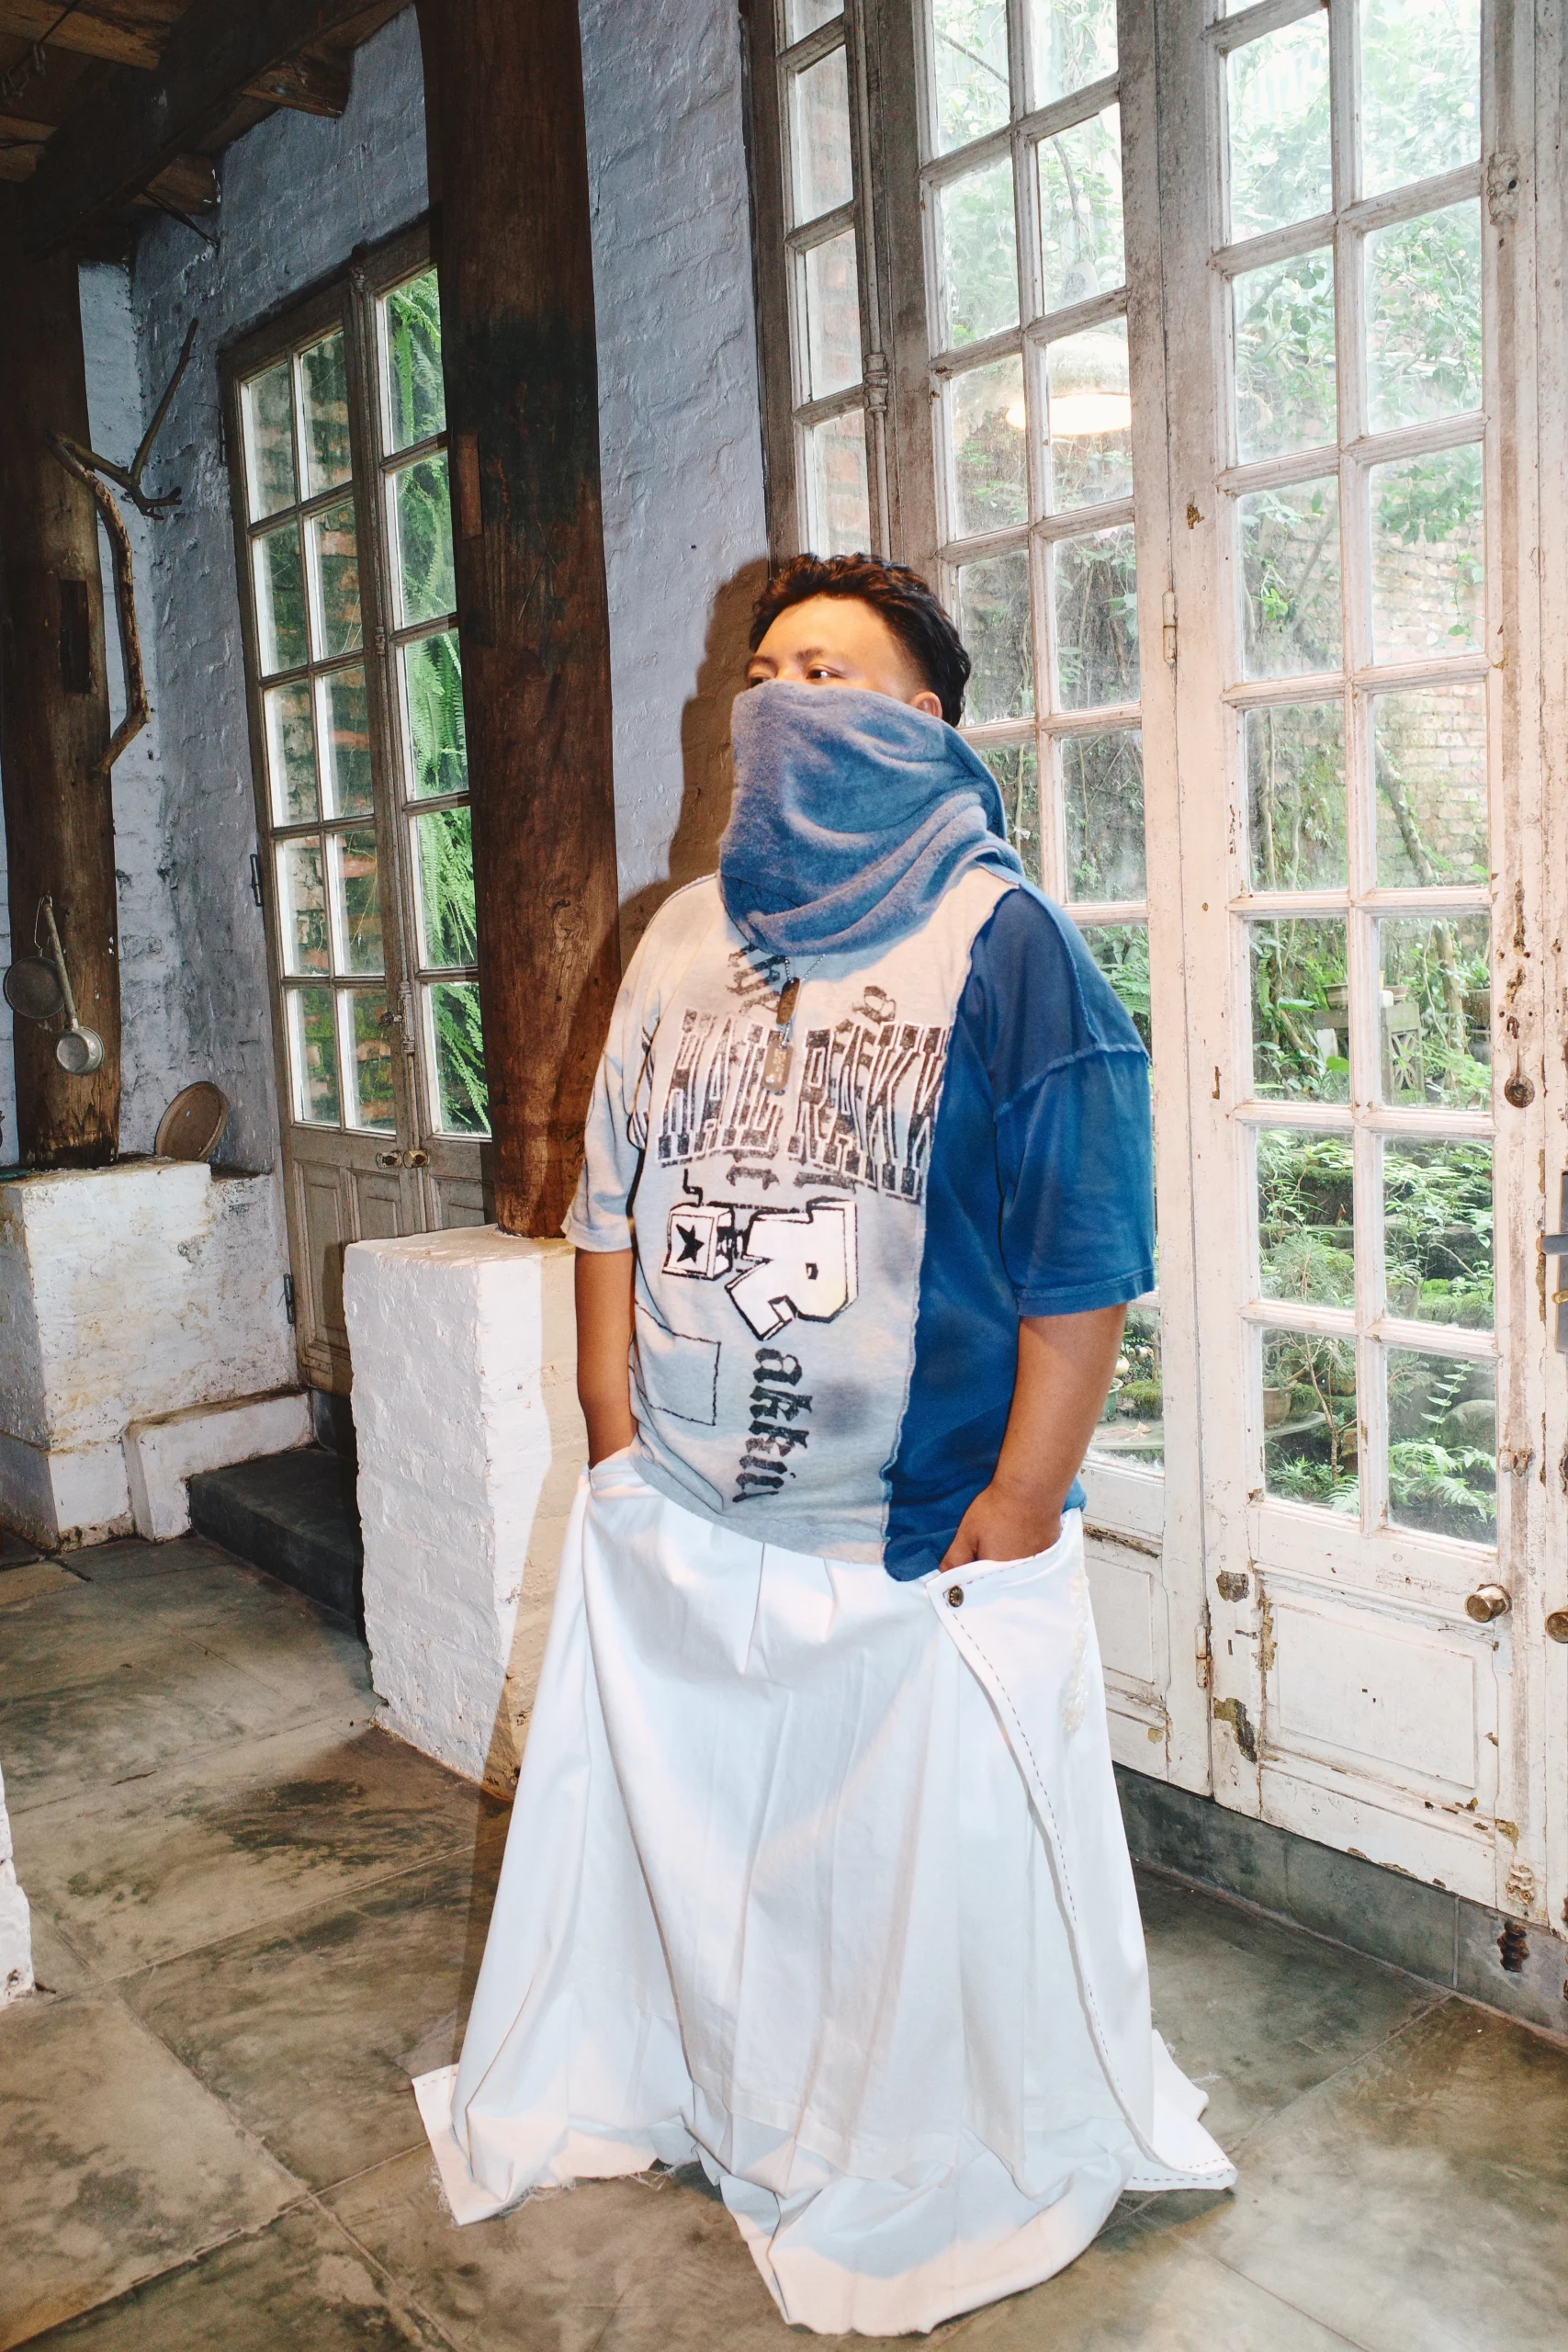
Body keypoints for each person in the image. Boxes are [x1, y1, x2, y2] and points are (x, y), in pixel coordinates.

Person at [415, 554, 1235, 2335]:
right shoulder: (680, 932)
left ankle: (899, 2141)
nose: (784, 697)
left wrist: (1021, 1497)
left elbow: (1083, 1256)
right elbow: (612, 1194)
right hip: (688, 1510)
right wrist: (613, 1427)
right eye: (766, 669)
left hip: (909, 1534)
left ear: (925, 723)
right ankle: (727, 2091)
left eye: (831, 672)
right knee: (714, 1853)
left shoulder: (1007, 945)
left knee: (895, 1895)